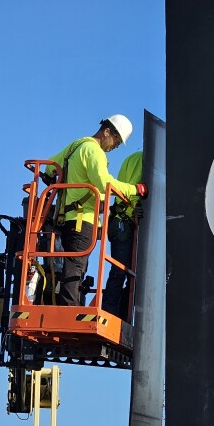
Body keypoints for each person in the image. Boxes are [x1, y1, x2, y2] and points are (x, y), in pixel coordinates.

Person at [43, 115, 147, 306]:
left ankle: (68, 305)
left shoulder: (76, 146)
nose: (115, 146)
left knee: (74, 264)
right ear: (106, 131)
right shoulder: (94, 151)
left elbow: (50, 168)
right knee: (76, 266)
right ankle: (70, 310)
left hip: (66, 217)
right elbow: (105, 183)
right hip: (83, 219)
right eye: (116, 140)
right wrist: (134, 190)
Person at [102, 150, 144, 319]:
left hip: (124, 223)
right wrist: (135, 207)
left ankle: (121, 316)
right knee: (120, 271)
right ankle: (110, 315)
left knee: (132, 274)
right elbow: (133, 188)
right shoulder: (142, 159)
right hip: (122, 223)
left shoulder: (135, 157)